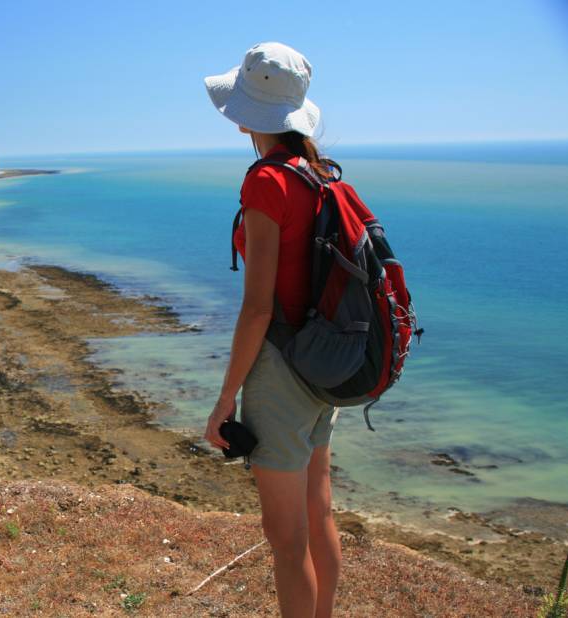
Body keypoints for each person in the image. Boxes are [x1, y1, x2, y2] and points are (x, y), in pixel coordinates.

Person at [200, 42, 341, 618]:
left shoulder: (266, 183)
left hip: (280, 373)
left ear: (246, 117)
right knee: (319, 513)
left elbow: (257, 308)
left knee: (286, 540)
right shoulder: (319, 174)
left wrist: (225, 399)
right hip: (322, 362)